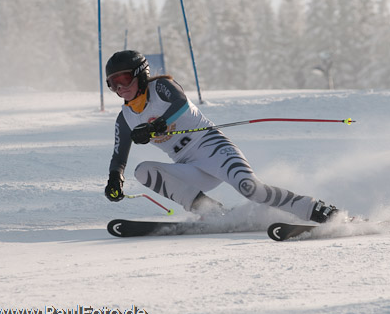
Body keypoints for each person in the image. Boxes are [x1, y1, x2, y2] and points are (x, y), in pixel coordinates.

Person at [104, 50, 341, 223]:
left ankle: (315, 209)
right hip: (189, 166)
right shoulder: (125, 118)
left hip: (212, 148)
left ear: (141, 74)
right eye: (113, 84)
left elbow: (179, 103)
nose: (120, 88)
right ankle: (212, 213)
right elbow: (119, 156)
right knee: (143, 171)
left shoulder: (162, 87)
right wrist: (115, 179)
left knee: (251, 189)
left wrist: (158, 125)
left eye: (123, 80)